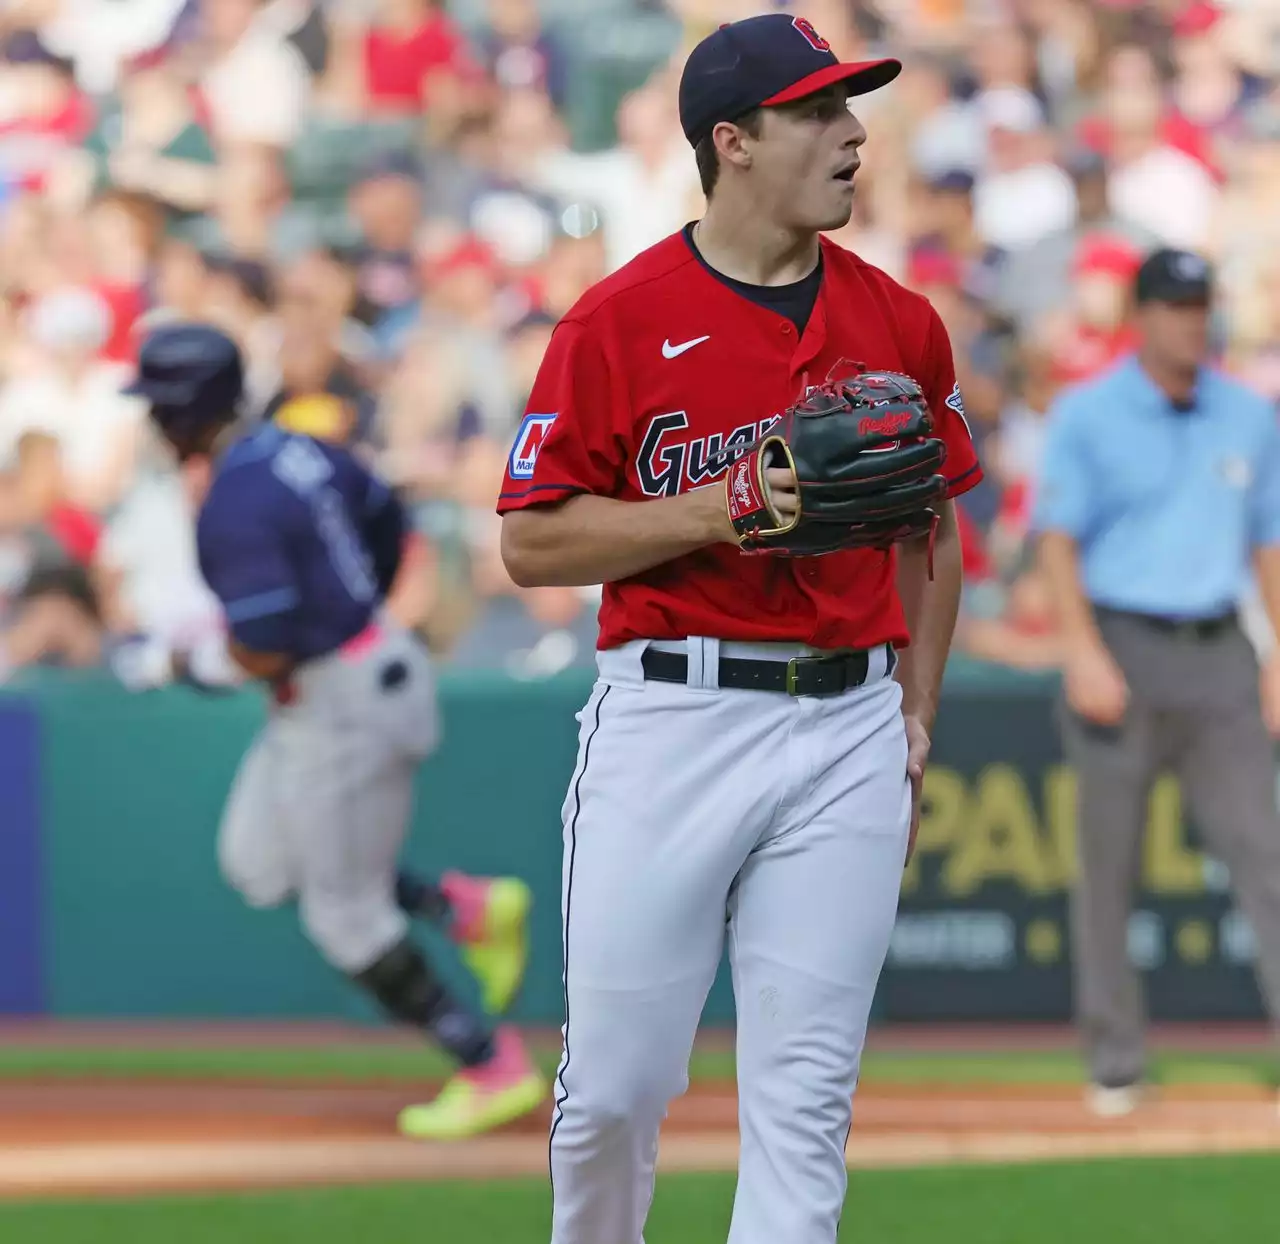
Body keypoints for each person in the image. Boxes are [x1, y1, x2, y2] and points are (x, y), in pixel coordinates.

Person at [496, 15, 982, 1243]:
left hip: (849, 724)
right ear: (733, 141)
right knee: (612, 1091)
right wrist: (716, 506)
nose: (852, 133)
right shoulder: (613, 321)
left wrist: (914, 712)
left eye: (850, 107)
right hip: (673, 716)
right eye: (817, 112)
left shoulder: (899, 323)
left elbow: (935, 531)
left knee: (803, 1104)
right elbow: (531, 541)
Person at [123, 322, 548, 1140]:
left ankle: (489, 1063)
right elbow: (387, 523)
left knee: (343, 916)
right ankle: (459, 907)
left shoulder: (234, 503)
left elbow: (264, 644)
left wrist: (183, 667)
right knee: (258, 864)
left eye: (156, 407)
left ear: (180, 413)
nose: (149, 423)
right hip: (344, 679)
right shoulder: (298, 448)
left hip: (341, 700)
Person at [1032, 248, 1280, 1118]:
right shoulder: (1089, 413)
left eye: (1200, 304)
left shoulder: (1249, 416)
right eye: (1174, 305)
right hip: (1123, 641)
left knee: (1270, 855)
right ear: (1141, 314)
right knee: (1108, 868)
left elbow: (1269, 542)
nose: (1190, 319)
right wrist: (1081, 647)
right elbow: (1055, 536)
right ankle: (1115, 1060)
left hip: (1220, 651)